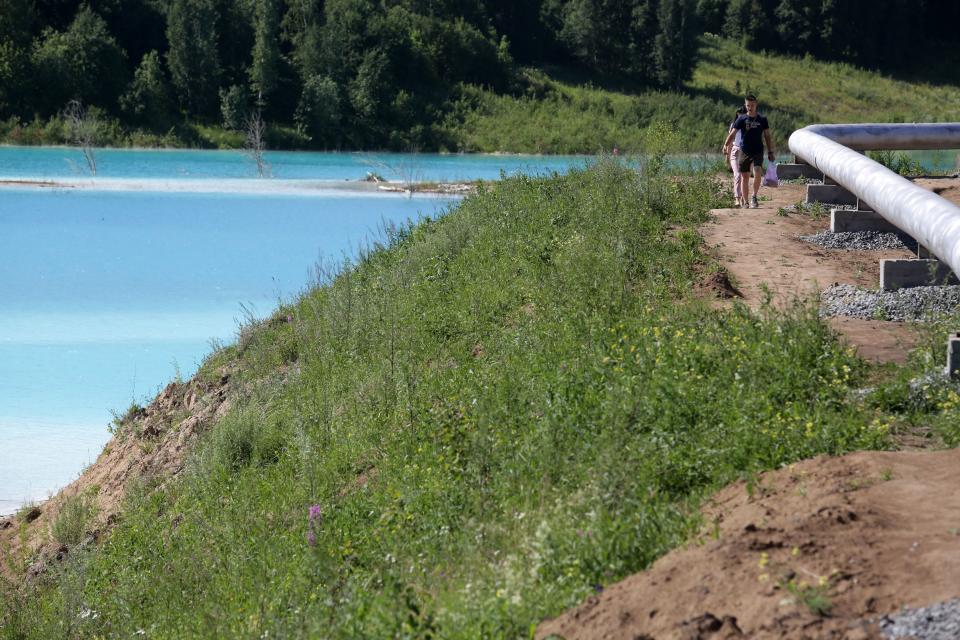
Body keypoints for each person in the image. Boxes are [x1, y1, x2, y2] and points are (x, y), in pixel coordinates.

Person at [722, 95, 776, 208]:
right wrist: (725, 145)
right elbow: (732, 134)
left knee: (757, 172)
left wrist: (770, 151)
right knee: (745, 176)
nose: (750, 107)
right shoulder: (741, 119)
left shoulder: (762, 119)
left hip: (758, 150)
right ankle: (745, 201)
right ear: (745, 105)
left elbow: (767, 136)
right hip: (744, 151)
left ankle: (754, 196)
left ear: (756, 104)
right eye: (748, 105)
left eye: (752, 105)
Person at [724, 105, 747, 207]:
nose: (740, 115)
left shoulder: (748, 125)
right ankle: (737, 199)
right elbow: (730, 140)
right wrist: (727, 157)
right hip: (734, 151)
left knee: (743, 176)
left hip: (745, 152)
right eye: (739, 114)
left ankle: (743, 198)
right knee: (737, 175)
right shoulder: (733, 125)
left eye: (742, 114)